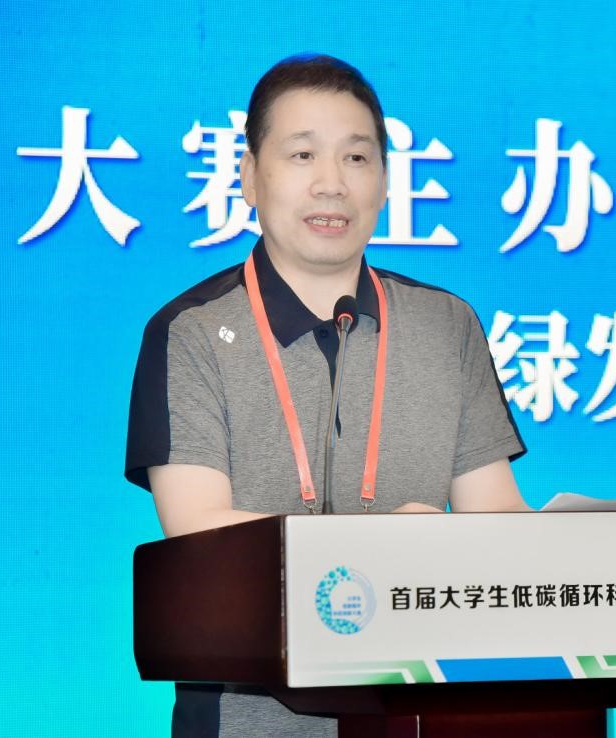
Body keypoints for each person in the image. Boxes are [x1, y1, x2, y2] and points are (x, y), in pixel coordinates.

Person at [125, 54, 529, 737]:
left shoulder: (446, 324)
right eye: (302, 154)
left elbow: (496, 516)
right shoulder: (191, 331)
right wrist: (379, 547)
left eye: (356, 158)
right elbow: (196, 531)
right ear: (249, 176)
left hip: (424, 712)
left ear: (385, 182)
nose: (331, 184)